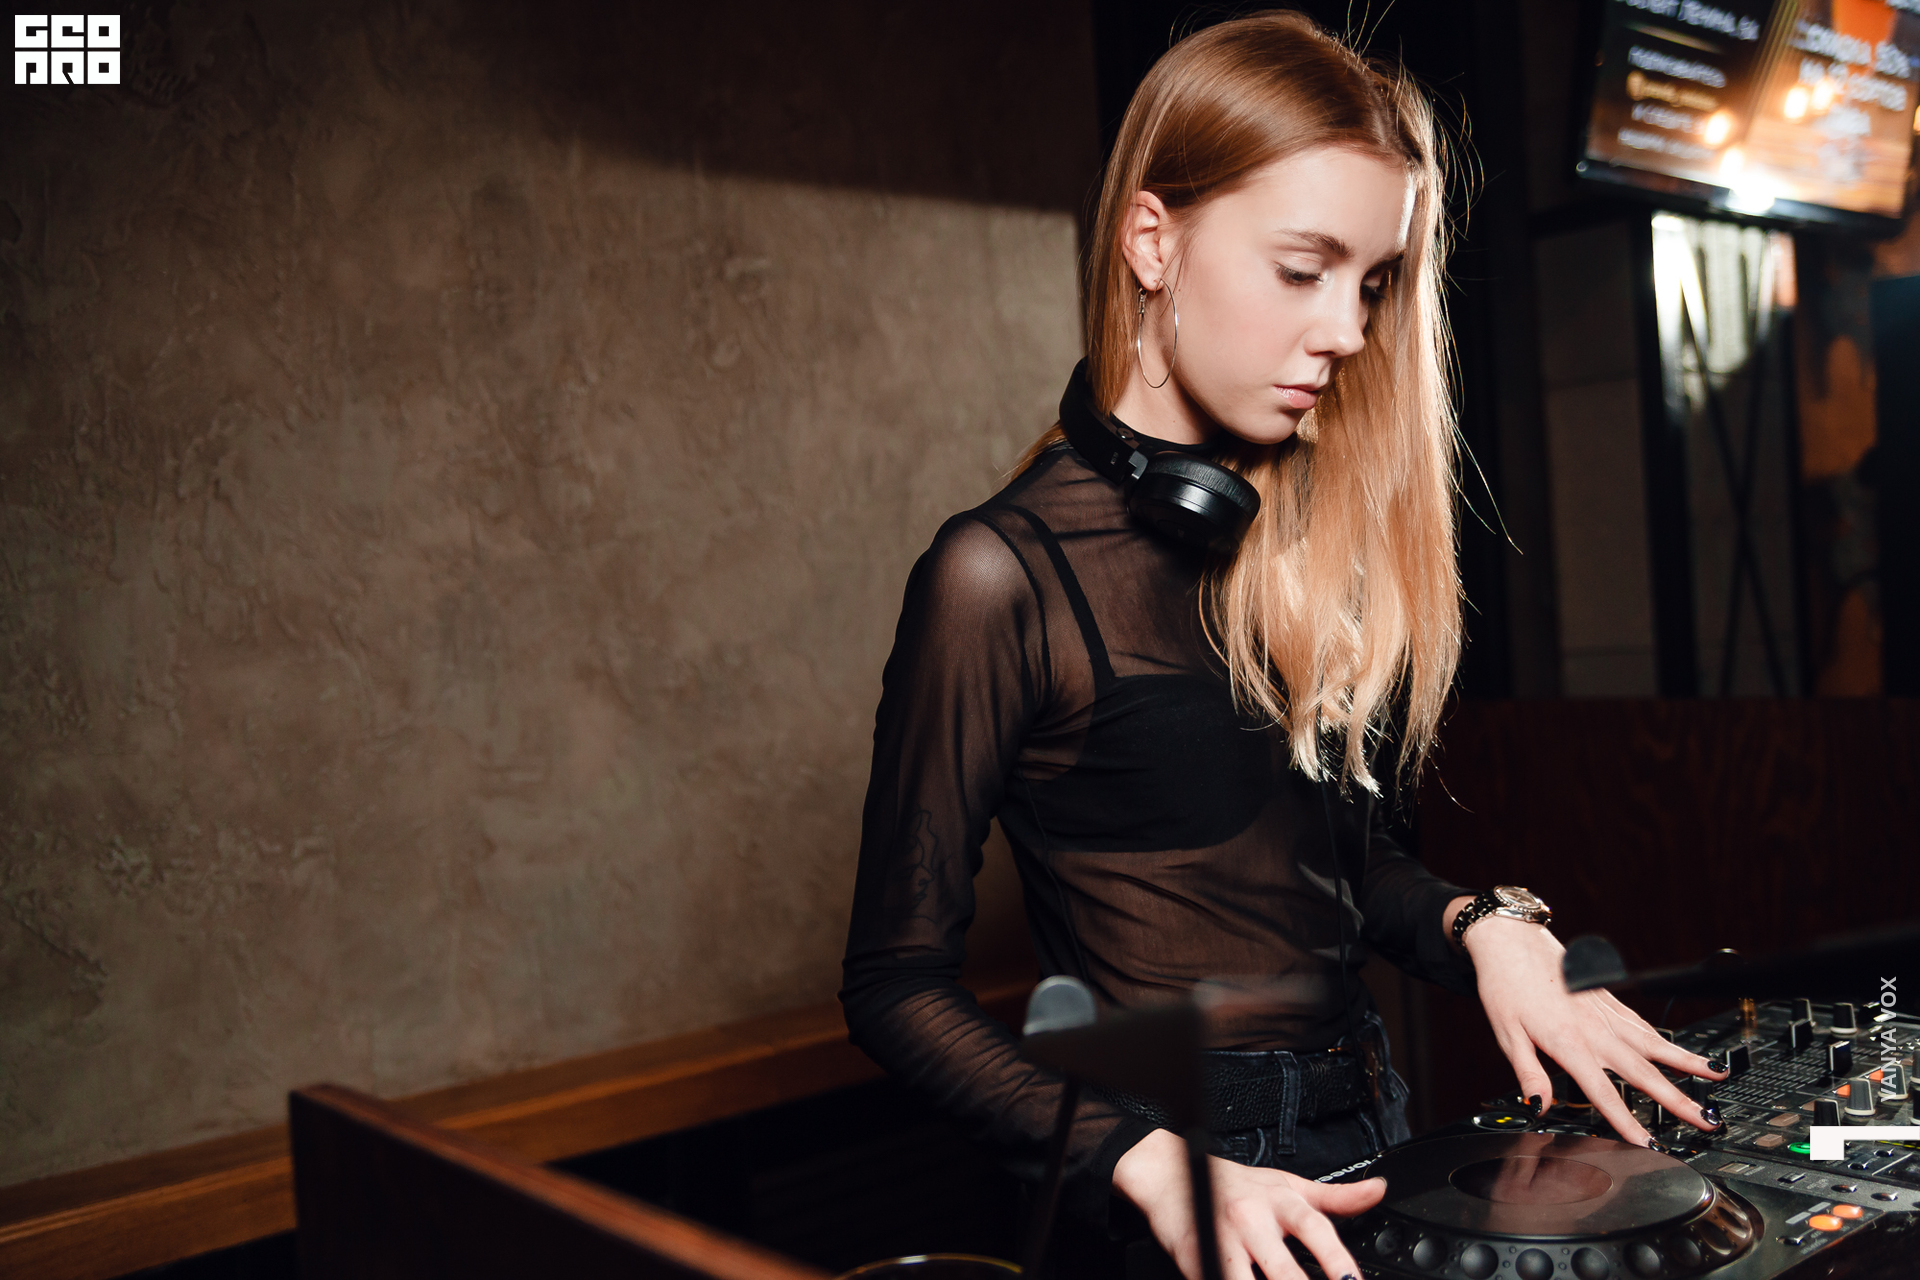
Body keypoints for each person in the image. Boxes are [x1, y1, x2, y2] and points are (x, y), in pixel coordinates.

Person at [839, 13, 1729, 1280]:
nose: (1350, 331)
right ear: (1153, 241)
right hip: (1176, 1182)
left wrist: (1484, 925)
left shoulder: (1291, 541)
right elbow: (894, 983)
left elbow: (1344, 875)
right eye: (1304, 269)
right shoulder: (998, 576)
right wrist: (1144, 1159)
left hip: (1374, 1126)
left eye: (1372, 282)